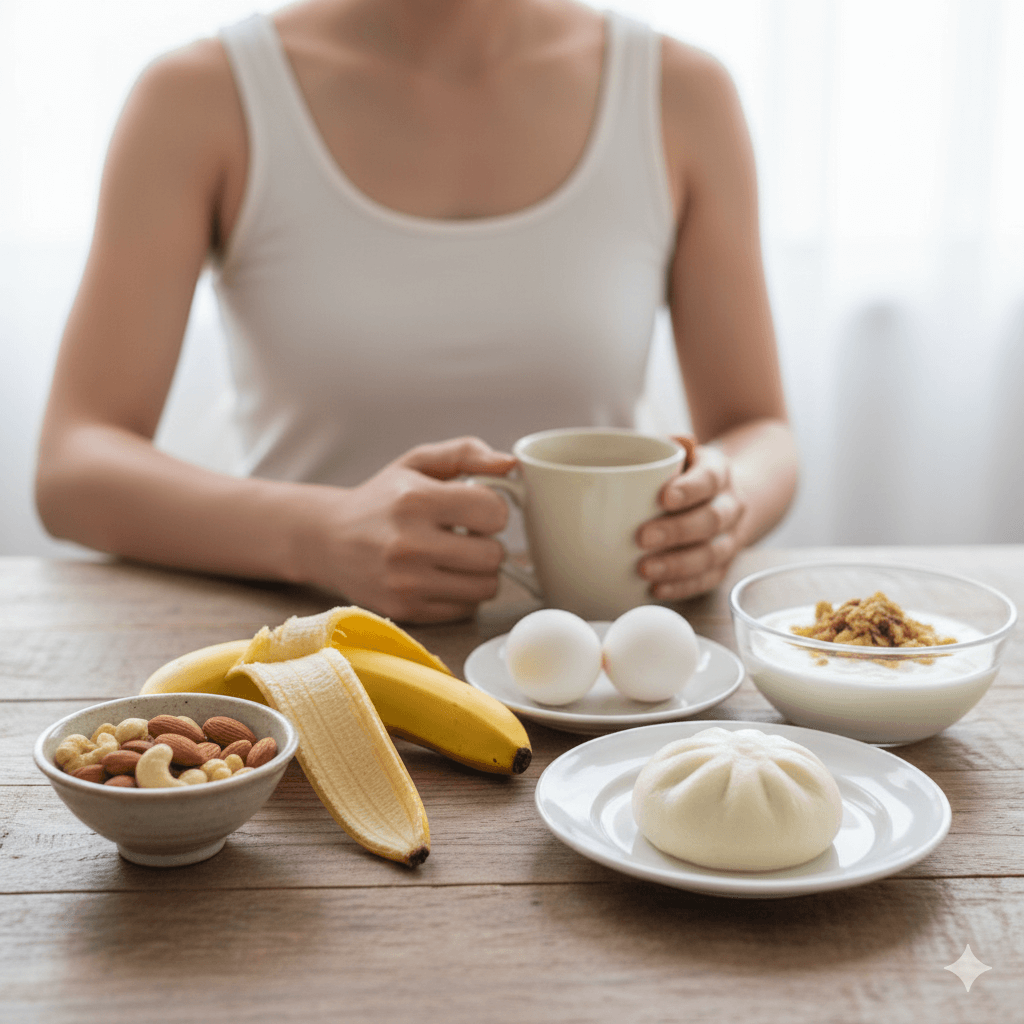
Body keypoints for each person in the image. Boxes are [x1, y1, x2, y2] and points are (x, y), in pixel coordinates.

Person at [35, 0, 798, 624]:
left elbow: (760, 429)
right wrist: (315, 535)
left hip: (614, 675)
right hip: (315, 661)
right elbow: (75, 464)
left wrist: (728, 498)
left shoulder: (683, 94)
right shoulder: (199, 96)